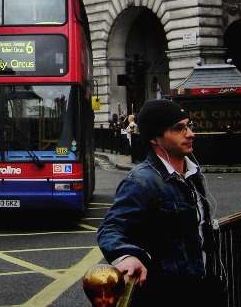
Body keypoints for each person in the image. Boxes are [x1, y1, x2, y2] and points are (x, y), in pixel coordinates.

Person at [97, 99, 226, 306]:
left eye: (188, 126)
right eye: (178, 128)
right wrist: (126, 255)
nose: (190, 133)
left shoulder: (192, 173)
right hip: (167, 294)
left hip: (201, 287)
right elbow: (111, 228)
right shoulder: (140, 181)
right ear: (155, 138)